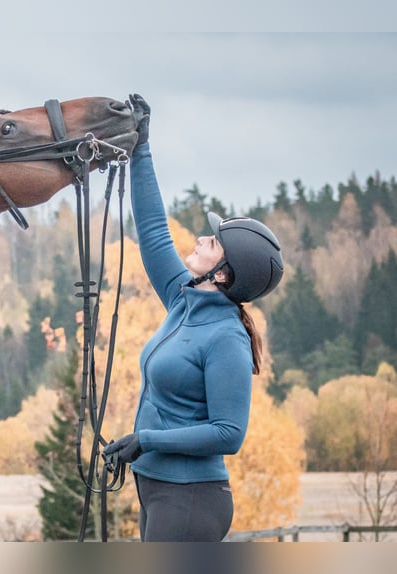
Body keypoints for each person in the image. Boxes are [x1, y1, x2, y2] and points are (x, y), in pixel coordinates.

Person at [102, 94, 284, 542]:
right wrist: (140, 147)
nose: (203, 238)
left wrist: (147, 439)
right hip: (159, 492)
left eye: (214, 241)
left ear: (223, 273)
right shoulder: (183, 299)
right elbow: (152, 231)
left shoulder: (226, 338)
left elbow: (229, 433)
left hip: (190, 500)